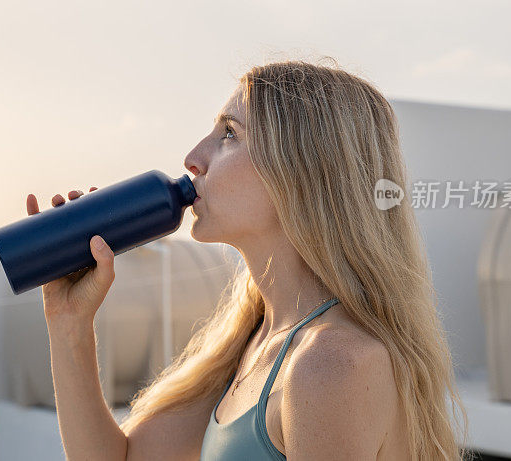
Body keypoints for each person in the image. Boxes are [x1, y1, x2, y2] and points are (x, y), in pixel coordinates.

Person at [26, 59, 471, 460]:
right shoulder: (256, 344)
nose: (193, 158)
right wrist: (69, 321)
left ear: (300, 171)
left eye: (229, 135)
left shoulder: (330, 364)